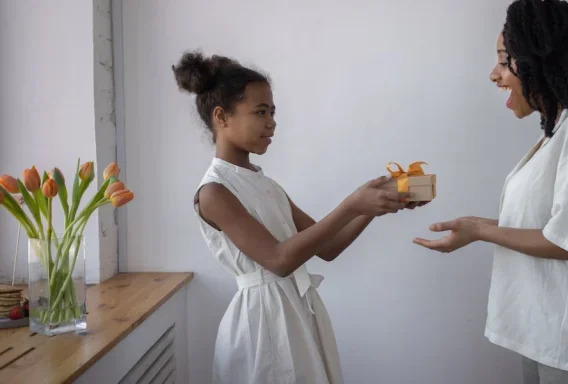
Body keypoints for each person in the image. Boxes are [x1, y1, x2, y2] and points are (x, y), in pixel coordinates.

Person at [413, 0, 568, 383]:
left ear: (542, 62)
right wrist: (474, 227)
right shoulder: (561, 130)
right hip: (550, 335)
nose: (494, 74)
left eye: (505, 61)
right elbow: (551, 225)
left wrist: (481, 232)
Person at [173, 51, 423, 383]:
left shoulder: (265, 185)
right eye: (260, 112)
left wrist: (372, 207)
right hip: (262, 323)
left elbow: (329, 246)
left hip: (294, 313)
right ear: (222, 117)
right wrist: (351, 204)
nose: (272, 122)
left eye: (273, 112)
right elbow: (278, 260)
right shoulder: (214, 192)